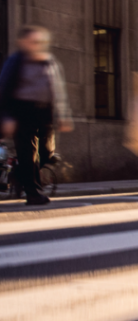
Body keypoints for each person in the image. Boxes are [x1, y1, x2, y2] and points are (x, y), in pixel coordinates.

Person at [0, 26, 72, 206]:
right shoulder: (16, 61)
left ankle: (20, 174)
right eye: (33, 42)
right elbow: (4, 89)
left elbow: (58, 90)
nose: (37, 45)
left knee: (47, 153)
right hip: (22, 111)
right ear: (23, 43)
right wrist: (7, 116)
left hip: (45, 113)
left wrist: (63, 115)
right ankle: (33, 194)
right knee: (28, 154)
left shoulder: (49, 61)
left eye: (40, 42)